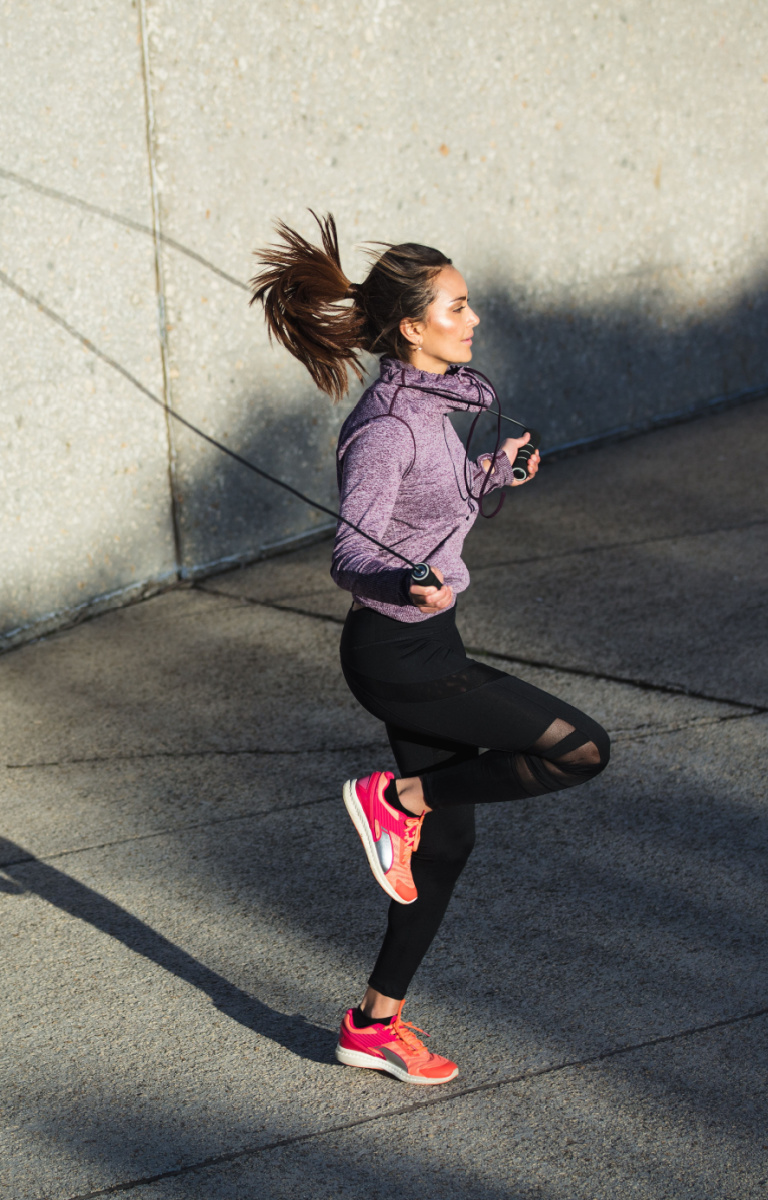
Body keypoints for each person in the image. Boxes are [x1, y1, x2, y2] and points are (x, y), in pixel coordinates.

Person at [250, 214, 609, 1086]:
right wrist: (401, 581)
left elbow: (430, 509)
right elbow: (353, 552)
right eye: (457, 305)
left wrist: (491, 476)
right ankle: (396, 796)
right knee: (581, 748)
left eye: (468, 301)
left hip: (424, 641)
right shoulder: (386, 428)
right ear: (413, 327)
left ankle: (374, 1025)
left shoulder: (438, 406)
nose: (474, 317)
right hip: (399, 655)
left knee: (446, 852)